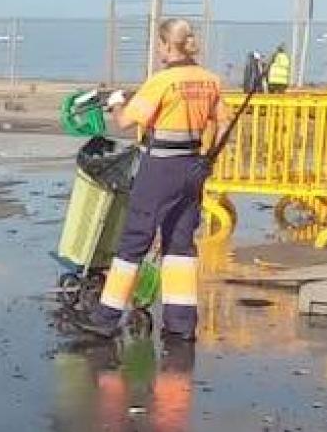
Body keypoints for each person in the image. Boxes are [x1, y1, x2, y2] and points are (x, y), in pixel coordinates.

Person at [79, 18, 227, 341]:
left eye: (159, 44)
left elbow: (125, 123)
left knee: (134, 239)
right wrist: (206, 159)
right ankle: (181, 323)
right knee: (180, 246)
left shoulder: (162, 82)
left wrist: (117, 104)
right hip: (192, 168)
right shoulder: (210, 81)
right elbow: (223, 122)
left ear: (165, 45)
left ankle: (106, 317)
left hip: (159, 168)